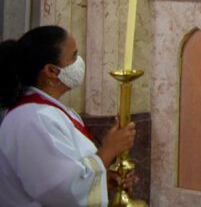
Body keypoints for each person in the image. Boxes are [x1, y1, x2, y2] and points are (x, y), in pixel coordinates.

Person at [0, 26, 137, 206]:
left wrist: (102, 178)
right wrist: (109, 150)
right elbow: (62, 191)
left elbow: (65, 172)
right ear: (51, 71)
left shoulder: (49, 112)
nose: (79, 62)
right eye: (73, 56)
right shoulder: (32, 119)